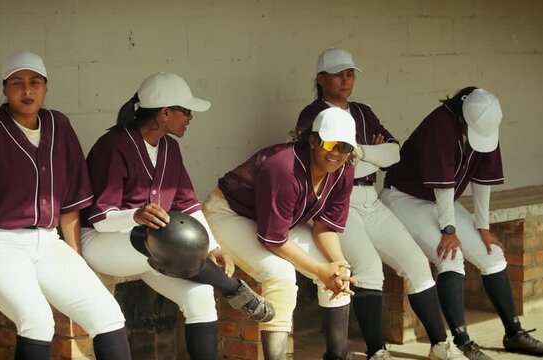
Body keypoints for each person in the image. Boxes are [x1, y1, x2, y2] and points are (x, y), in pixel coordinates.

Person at [0, 51, 131, 360]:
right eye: (16, 83)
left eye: (34, 82)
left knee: (108, 314)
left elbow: (69, 205)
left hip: (47, 241)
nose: (26, 90)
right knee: (38, 321)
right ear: (4, 88)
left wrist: (76, 259)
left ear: (46, 87)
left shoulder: (59, 125)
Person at [80, 72, 274, 360]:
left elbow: (189, 205)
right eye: (186, 111)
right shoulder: (114, 145)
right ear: (165, 112)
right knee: (166, 236)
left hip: (155, 249)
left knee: (201, 296)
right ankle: (234, 290)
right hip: (103, 242)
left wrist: (213, 247)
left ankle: (225, 290)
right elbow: (100, 219)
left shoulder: (170, 147)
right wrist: (136, 215)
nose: (190, 117)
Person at [296, 48, 465, 359]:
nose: (345, 80)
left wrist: (358, 153)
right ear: (320, 78)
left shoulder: (363, 111)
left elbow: (394, 153)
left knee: (416, 263)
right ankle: (377, 351)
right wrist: (369, 154)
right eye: (337, 74)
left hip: (370, 199)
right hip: (336, 202)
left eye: (350, 74)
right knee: (369, 268)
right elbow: (333, 166)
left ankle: (440, 345)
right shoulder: (312, 114)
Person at [381, 87, 543, 357]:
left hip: (440, 200)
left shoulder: (486, 119)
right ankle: (461, 342)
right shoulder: (440, 126)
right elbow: (442, 186)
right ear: (463, 118)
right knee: (451, 256)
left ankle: (514, 333)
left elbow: (483, 178)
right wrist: (449, 230)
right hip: (405, 198)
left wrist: (483, 227)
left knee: (493, 255)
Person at [204, 107, 358, 360]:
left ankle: (338, 355)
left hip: (274, 222)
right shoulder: (283, 166)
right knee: (281, 273)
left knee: (340, 271)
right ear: (312, 140)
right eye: (329, 143)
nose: (336, 153)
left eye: (345, 147)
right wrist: (321, 271)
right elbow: (273, 238)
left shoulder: (344, 170)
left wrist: (337, 263)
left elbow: (325, 226)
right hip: (229, 214)